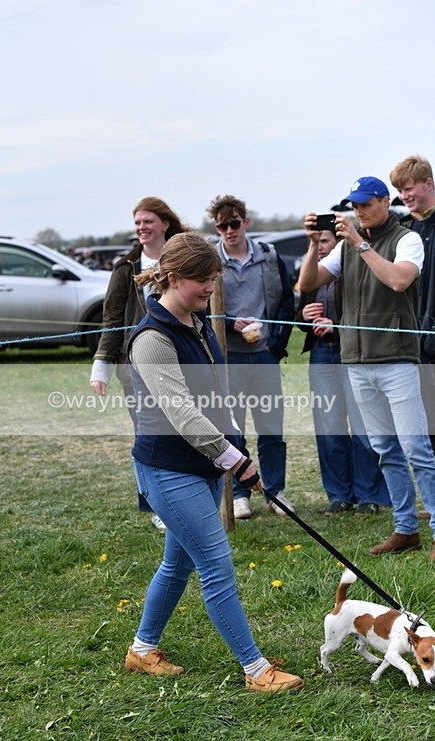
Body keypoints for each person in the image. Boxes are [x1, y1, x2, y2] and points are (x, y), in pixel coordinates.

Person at [123, 231, 303, 692]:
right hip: (167, 468)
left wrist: (236, 450)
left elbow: (217, 397)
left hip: (200, 465)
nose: (210, 289)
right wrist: (233, 459)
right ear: (175, 278)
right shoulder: (152, 338)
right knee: (217, 564)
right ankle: (256, 669)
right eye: (203, 281)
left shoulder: (196, 323)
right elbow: (181, 411)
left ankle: (142, 650)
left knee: (178, 564)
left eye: (213, 280)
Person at [299, 176, 435, 563]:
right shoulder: (345, 248)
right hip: (355, 360)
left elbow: (400, 280)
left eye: (366, 204)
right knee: (384, 447)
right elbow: (308, 282)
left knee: (417, 447)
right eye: (354, 206)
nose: (359, 211)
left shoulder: (407, 239)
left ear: (385, 201)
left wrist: (358, 242)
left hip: (398, 359)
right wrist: (310, 245)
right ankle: (405, 529)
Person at [90, 197, 187, 532]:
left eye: (148, 221)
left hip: (180, 360)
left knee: (183, 429)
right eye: (137, 223)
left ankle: (183, 496)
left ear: (164, 223)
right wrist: (101, 366)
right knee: (149, 436)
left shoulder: (182, 257)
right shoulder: (125, 269)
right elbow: (112, 320)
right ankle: (156, 504)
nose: (142, 228)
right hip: (135, 366)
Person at [206, 194, 295, 520]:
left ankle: (275, 491)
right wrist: (230, 323)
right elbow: (201, 305)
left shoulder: (269, 256)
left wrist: (276, 345)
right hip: (228, 357)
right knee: (233, 430)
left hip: (264, 355)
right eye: (221, 226)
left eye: (233, 223)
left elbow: (287, 302)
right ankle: (240, 494)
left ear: (246, 221)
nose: (228, 231)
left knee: (271, 427)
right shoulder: (210, 260)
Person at [296, 229, 390, 515]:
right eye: (316, 242)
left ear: (338, 244)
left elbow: (370, 314)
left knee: (363, 426)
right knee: (329, 427)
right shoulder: (309, 271)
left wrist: (334, 324)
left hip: (354, 353)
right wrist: (304, 317)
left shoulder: (356, 266)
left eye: (325, 241)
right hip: (321, 354)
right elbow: (296, 317)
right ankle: (339, 495)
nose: (320, 247)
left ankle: (369, 496)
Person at [390, 155, 435, 526]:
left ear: (428, 183)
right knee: (431, 424)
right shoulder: (406, 230)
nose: (405, 196)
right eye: (400, 191)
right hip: (416, 341)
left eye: (409, 189)